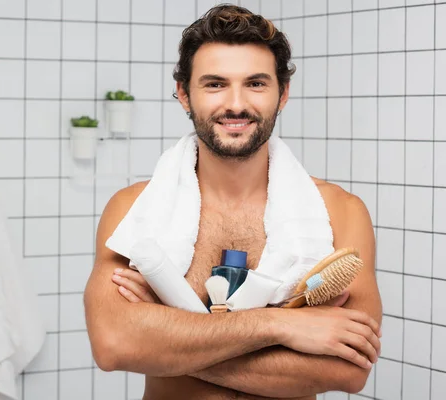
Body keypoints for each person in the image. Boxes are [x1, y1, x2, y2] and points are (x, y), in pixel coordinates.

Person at [84, 4, 383, 399]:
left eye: (256, 84)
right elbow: (113, 344)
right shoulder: (133, 209)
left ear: (283, 93)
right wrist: (279, 327)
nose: (236, 104)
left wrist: (168, 331)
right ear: (183, 94)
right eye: (215, 84)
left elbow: (348, 370)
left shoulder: (340, 211)